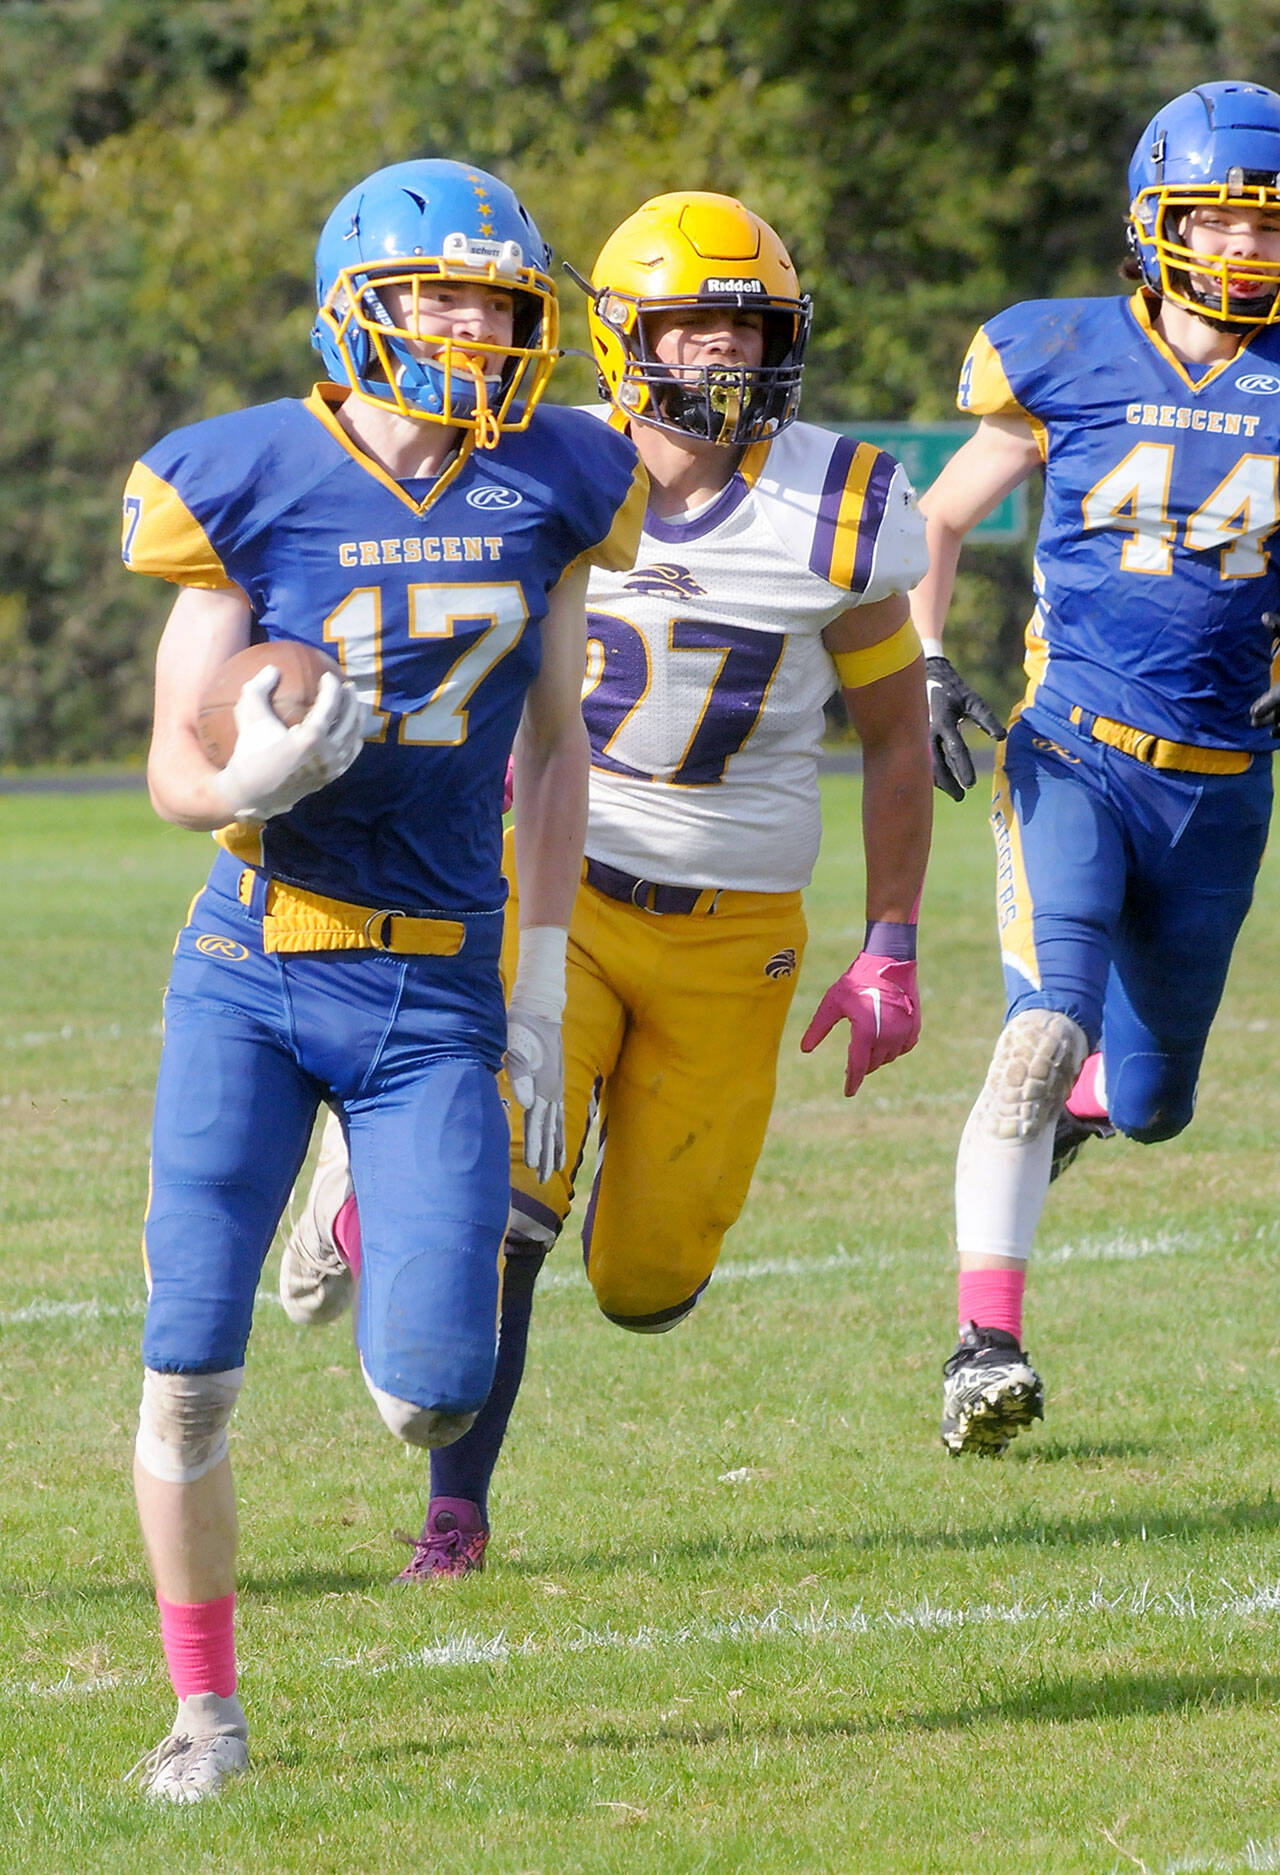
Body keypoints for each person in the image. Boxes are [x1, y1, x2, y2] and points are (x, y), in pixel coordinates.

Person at [279, 190, 933, 1578]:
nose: (727, 360)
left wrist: (892, 942)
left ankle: (410, 1182)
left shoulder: (844, 503)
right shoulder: (550, 469)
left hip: (733, 932)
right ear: (627, 340)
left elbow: (890, 739)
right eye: (696, 331)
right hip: (555, 893)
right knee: (510, 1211)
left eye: (748, 329)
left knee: (648, 1288)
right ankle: (456, 1512)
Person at [118, 157, 645, 1800]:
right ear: (367, 306)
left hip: (437, 997)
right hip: (257, 969)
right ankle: (205, 1714)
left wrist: (546, 978)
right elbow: (170, 765)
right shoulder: (250, 474)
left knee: (434, 1395)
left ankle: (354, 1194)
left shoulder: (561, 474)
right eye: (451, 298)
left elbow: (556, 743)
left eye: (505, 300)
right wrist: (248, 784)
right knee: (192, 1363)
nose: (486, 330)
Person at [910, 80, 1280, 1456]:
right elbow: (939, 520)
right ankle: (984, 1347)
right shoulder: (1063, 354)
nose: (1246, 251)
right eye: (1222, 222)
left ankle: (1088, 1107)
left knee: (1153, 1104)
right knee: (1039, 1027)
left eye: (1268, 228)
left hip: (1226, 787)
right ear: (1158, 220)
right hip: (1072, 754)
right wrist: (928, 661)